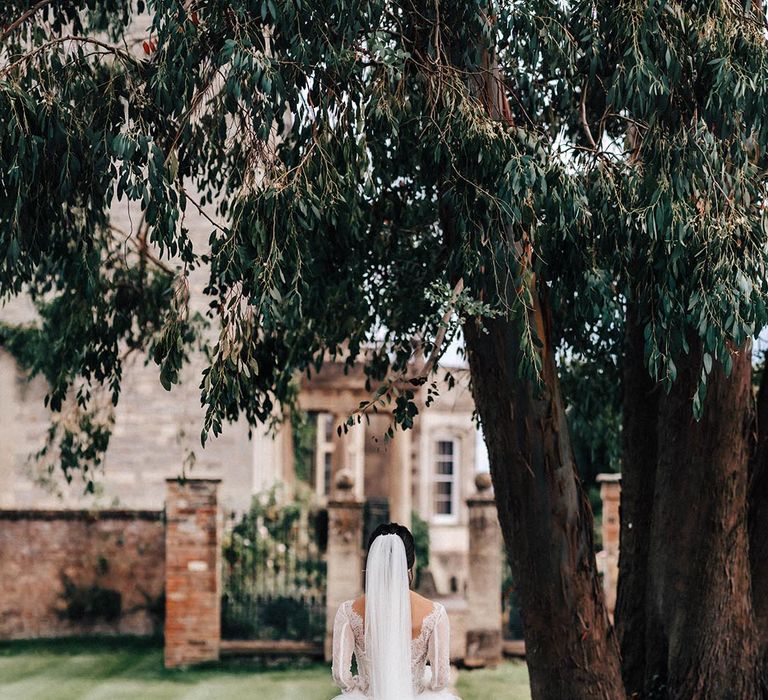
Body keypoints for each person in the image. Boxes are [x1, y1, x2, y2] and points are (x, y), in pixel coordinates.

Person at [331, 522, 460, 700]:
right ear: (410, 565)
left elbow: (340, 675)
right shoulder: (435, 613)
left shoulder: (347, 612)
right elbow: (440, 679)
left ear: (372, 560)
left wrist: (357, 687)